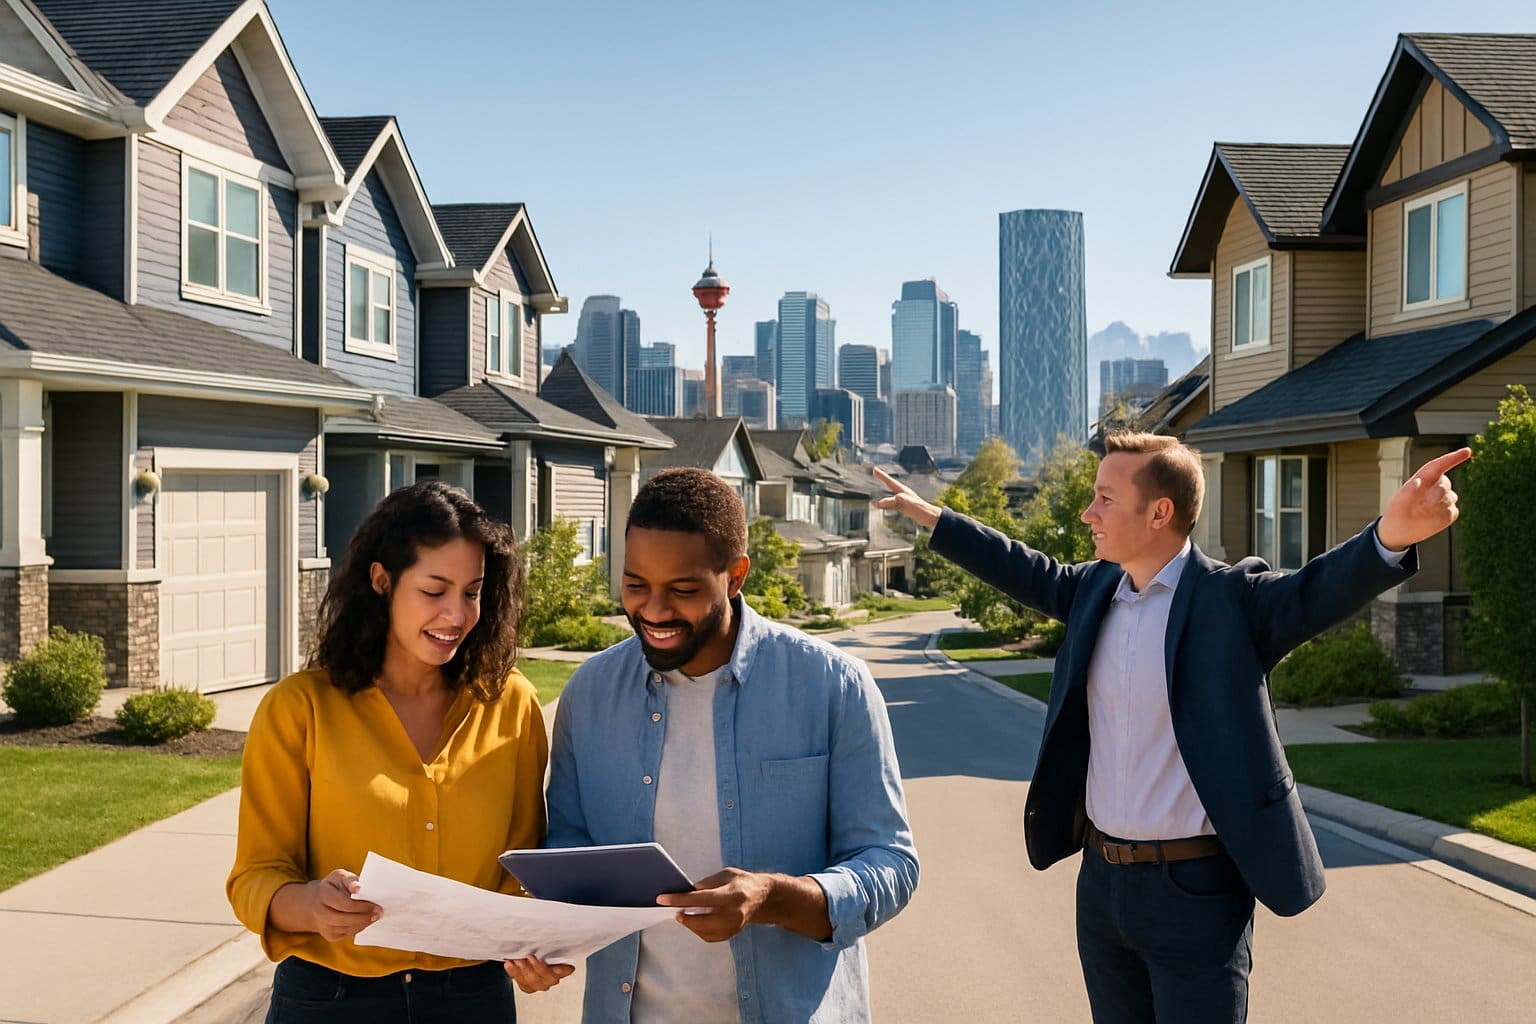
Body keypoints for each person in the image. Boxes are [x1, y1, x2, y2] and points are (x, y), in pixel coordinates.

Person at [874, 432, 1468, 1024]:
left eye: (1105, 498)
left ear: (1159, 512)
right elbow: (1022, 567)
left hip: (1197, 891)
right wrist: (933, 516)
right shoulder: (1093, 591)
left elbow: (1316, 590)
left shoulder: (1231, 601)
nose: (1088, 514)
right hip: (1102, 886)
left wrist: (1391, 535)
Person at [508, 467, 918, 1022]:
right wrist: (544, 936)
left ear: (735, 575)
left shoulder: (833, 686)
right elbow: (570, 851)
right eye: (635, 585)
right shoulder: (590, 693)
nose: (653, 611)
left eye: (682, 590)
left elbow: (890, 863)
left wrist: (773, 898)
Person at [227, 480, 548, 1023]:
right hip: (329, 1001)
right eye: (434, 590)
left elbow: (523, 870)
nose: (456, 614)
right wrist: (308, 905)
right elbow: (256, 875)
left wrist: (532, 941)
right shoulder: (299, 709)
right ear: (382, 581)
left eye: (471, 592)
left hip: (472, 998)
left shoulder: (511, 702)